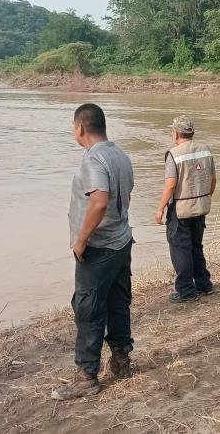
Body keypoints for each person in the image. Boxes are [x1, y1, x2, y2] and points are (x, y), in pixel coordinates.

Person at [52, 103, 135, 400]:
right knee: (117, 302)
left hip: (99, 248)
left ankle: (87, 375)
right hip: (122, 241)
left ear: (80, 128)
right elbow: (123, 197)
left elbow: (100, 201)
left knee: (88, 310)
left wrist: (81, 241)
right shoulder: (120, 155)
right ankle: (121, 360)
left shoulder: (93, 158)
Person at [155, 115, 217, 303]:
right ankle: (204, 285)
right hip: (201, 207)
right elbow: (213, 180)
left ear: (175, 133)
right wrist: (205, 198)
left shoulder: (174, 154)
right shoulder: (205, 150)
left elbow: (170, 185)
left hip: (181, 210)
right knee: (196, 247)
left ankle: (186, 292)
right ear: (192, 132)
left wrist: (160, 209)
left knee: (181, 249)